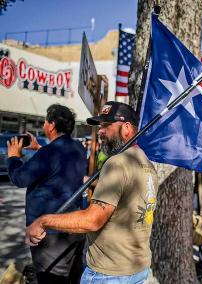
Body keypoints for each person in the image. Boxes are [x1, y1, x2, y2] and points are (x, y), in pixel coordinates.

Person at [25, 101, 158, 284]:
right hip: (137, 269)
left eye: (106, 125)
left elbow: (92, 220)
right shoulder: (147, 164)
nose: (101, 131)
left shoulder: (117, 163)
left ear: (126, 128)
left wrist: (43, 221)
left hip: (109, 274)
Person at [7, 104, 87, 284]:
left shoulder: (50, 152)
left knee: (50, 278)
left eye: (44, 121)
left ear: (51, 125)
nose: (43, 125)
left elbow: (20, 178)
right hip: (72, 226)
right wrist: (40, 149)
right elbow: (58, 162)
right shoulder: (78, 148)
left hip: (49, 234)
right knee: (72, 278)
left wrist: (13, 157)